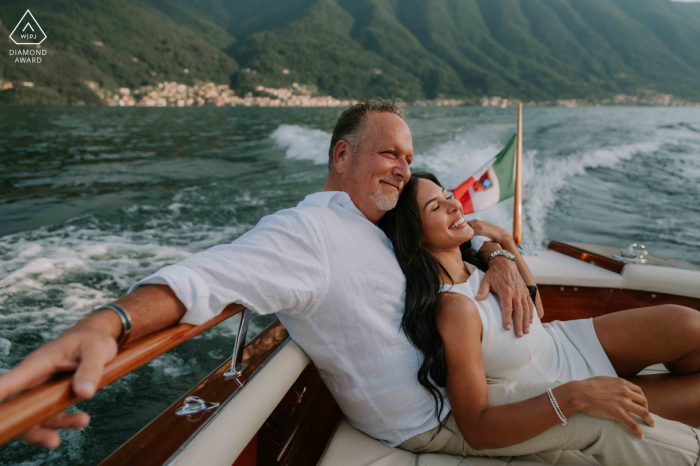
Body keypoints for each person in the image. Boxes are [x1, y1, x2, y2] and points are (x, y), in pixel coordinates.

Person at [0, 99, 698, 465]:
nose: (403, 167)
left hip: (479, 387)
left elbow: (454, 252)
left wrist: (505, 254)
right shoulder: (313, 233)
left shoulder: (385, 229)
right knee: (639, 436)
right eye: (388, 153)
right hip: (444, 424)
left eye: (410, 157)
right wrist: (105, 325)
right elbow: (205, 276)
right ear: (341, 154)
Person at [379, 171, 700, 460]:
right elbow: (476, 428)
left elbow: (537, 311)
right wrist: (573, 395)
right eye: (435, 207)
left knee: (689, 325)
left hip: (564, 340)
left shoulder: (477, 264)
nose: (453, 205)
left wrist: (503, 244)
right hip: (561, 380)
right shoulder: (454, 308)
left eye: (448, 195)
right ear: (415, 237)